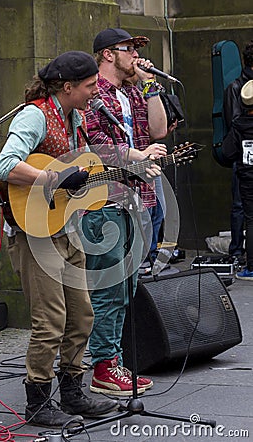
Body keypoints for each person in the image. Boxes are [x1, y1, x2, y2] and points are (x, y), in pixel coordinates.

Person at [0, 51, 118, 428]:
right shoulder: (34, 115)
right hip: (34, 232)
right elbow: (5, 165)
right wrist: (53, 180)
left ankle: (72, 391)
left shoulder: (75, 117)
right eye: (89, 85)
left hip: (65, 226)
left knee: (81, 314)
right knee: (50, 320)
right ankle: (37, 400)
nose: (95, 91)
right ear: (67, 87)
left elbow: (73, 172)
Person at [81, 28, 168, 396]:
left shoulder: (133, 90)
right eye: (128, 49)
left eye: (136, 49)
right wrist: (139, 156)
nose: (135, 54)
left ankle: (113, 361)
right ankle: (103, 363)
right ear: (107, 54)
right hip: (105, 200)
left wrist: (149, 83)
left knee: (128, 284)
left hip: (138, 199)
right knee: (109, 286)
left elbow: (159, 130)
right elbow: (97, 146)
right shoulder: (90, 92)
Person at [223, 41, 253, 264]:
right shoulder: (236, 87)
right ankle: (236, 251)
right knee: (240, 206)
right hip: (243, 153)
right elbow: (233, 122)